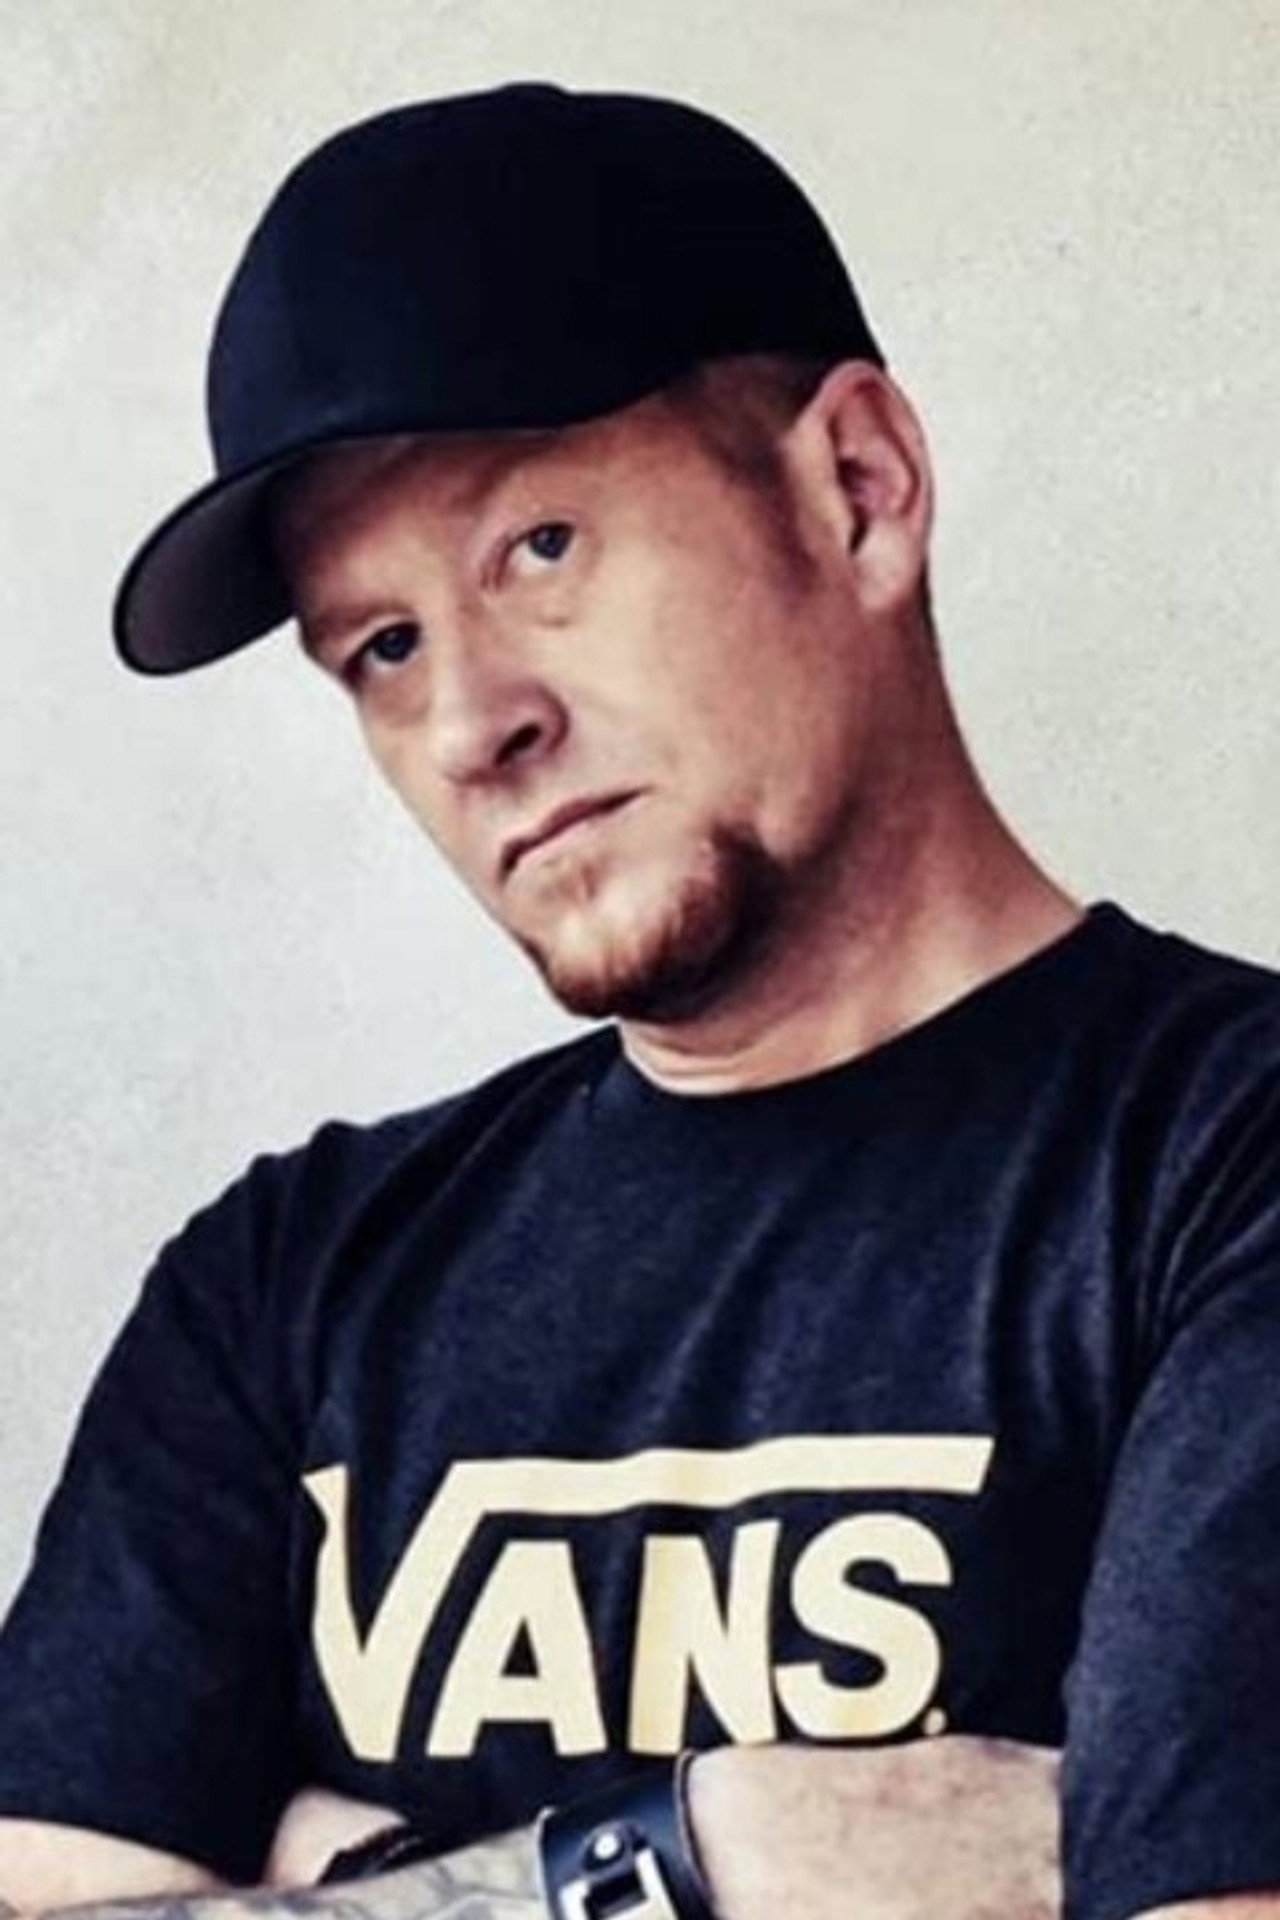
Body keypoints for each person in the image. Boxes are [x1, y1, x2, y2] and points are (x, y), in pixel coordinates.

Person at [2, 80, 1280, 1920]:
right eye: (382, 646)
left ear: (859, 491)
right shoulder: (284, 1285)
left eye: (541, 549)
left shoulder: (1217, 1168)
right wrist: (667, 1864)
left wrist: (320, 1871)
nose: (470, 724)